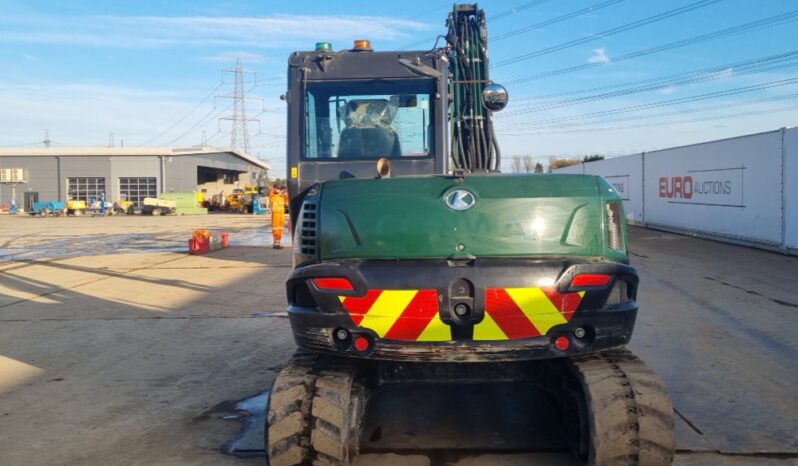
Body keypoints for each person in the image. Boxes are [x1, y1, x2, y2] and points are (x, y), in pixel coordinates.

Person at [268, 185, 288, 249]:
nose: (279, 190)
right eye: (277, 189)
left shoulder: (282, 196)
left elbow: (287, 201)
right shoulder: (273, 195)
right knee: (276, 229)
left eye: (279, 189)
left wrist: (284, 194)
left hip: (281, 214)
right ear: (274, 189)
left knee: (280, 229)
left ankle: (276, 243)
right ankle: (276, 245)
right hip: (276, 214)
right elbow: (272, 194)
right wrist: (279, 192)